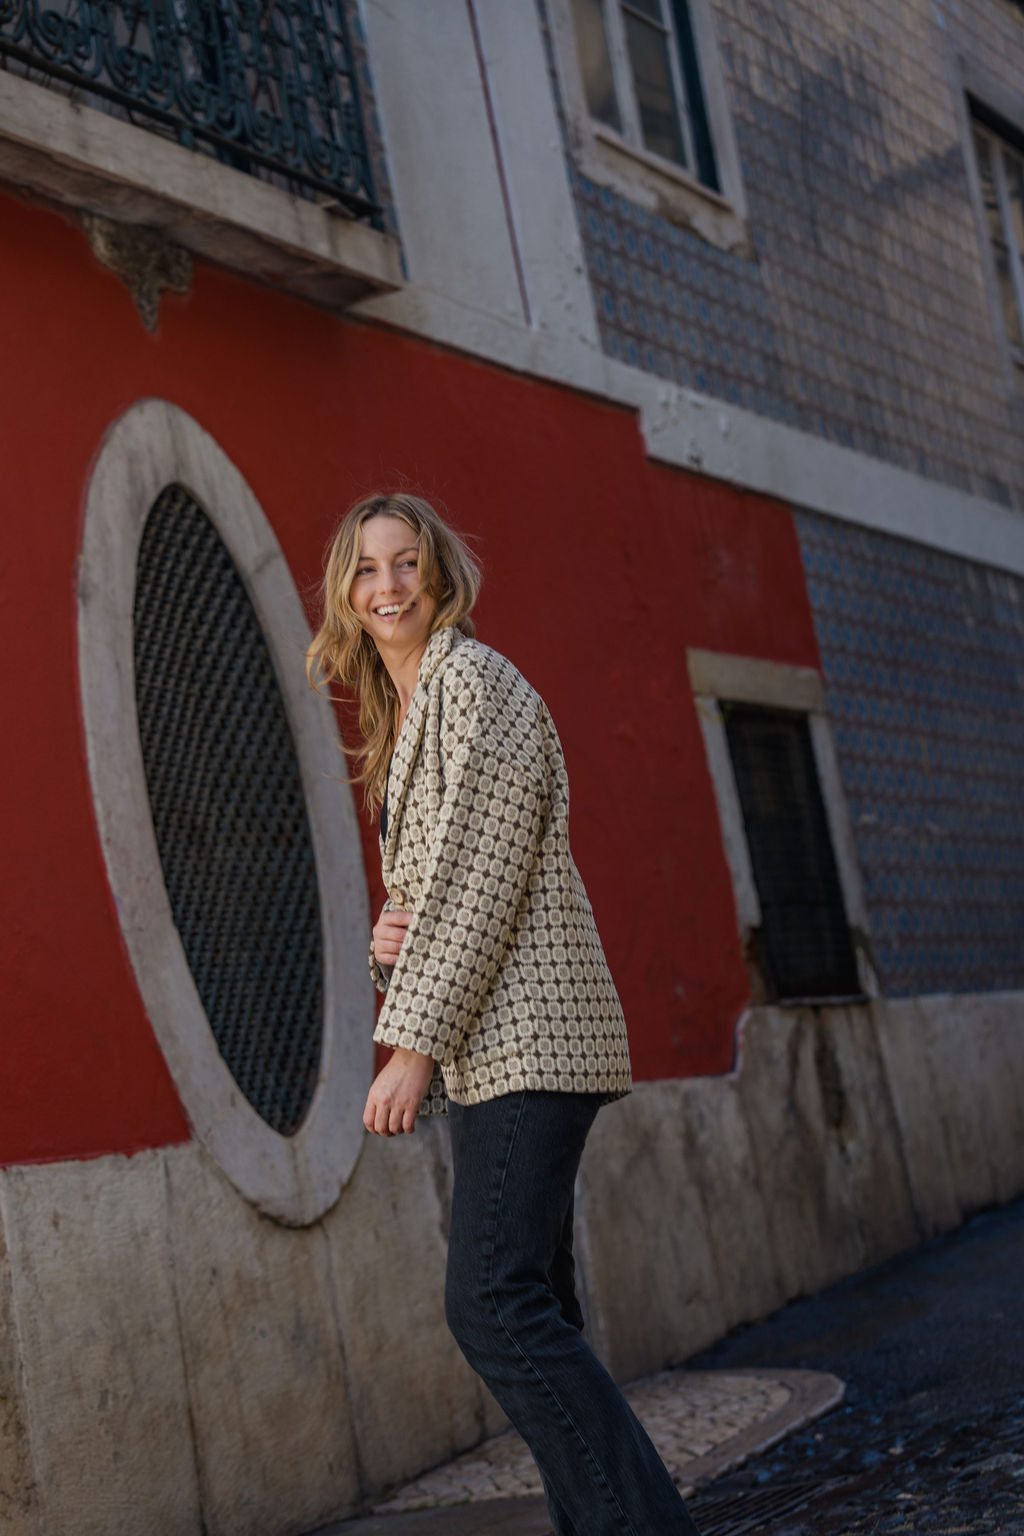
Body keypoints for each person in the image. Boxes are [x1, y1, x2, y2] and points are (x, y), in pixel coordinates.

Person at [307, 492, 702, 1536]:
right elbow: (441, 888)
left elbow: (482, 878)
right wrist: (389, 938)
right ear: (345, 596)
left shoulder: (475, 683)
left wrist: (410, 1050)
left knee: (491, 1301)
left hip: (529, 1035)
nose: (387, 586)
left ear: (439, 575)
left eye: (405, 563)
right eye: (365, 569)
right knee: (537, 1306)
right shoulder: (407, 714)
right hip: (493, 1045)